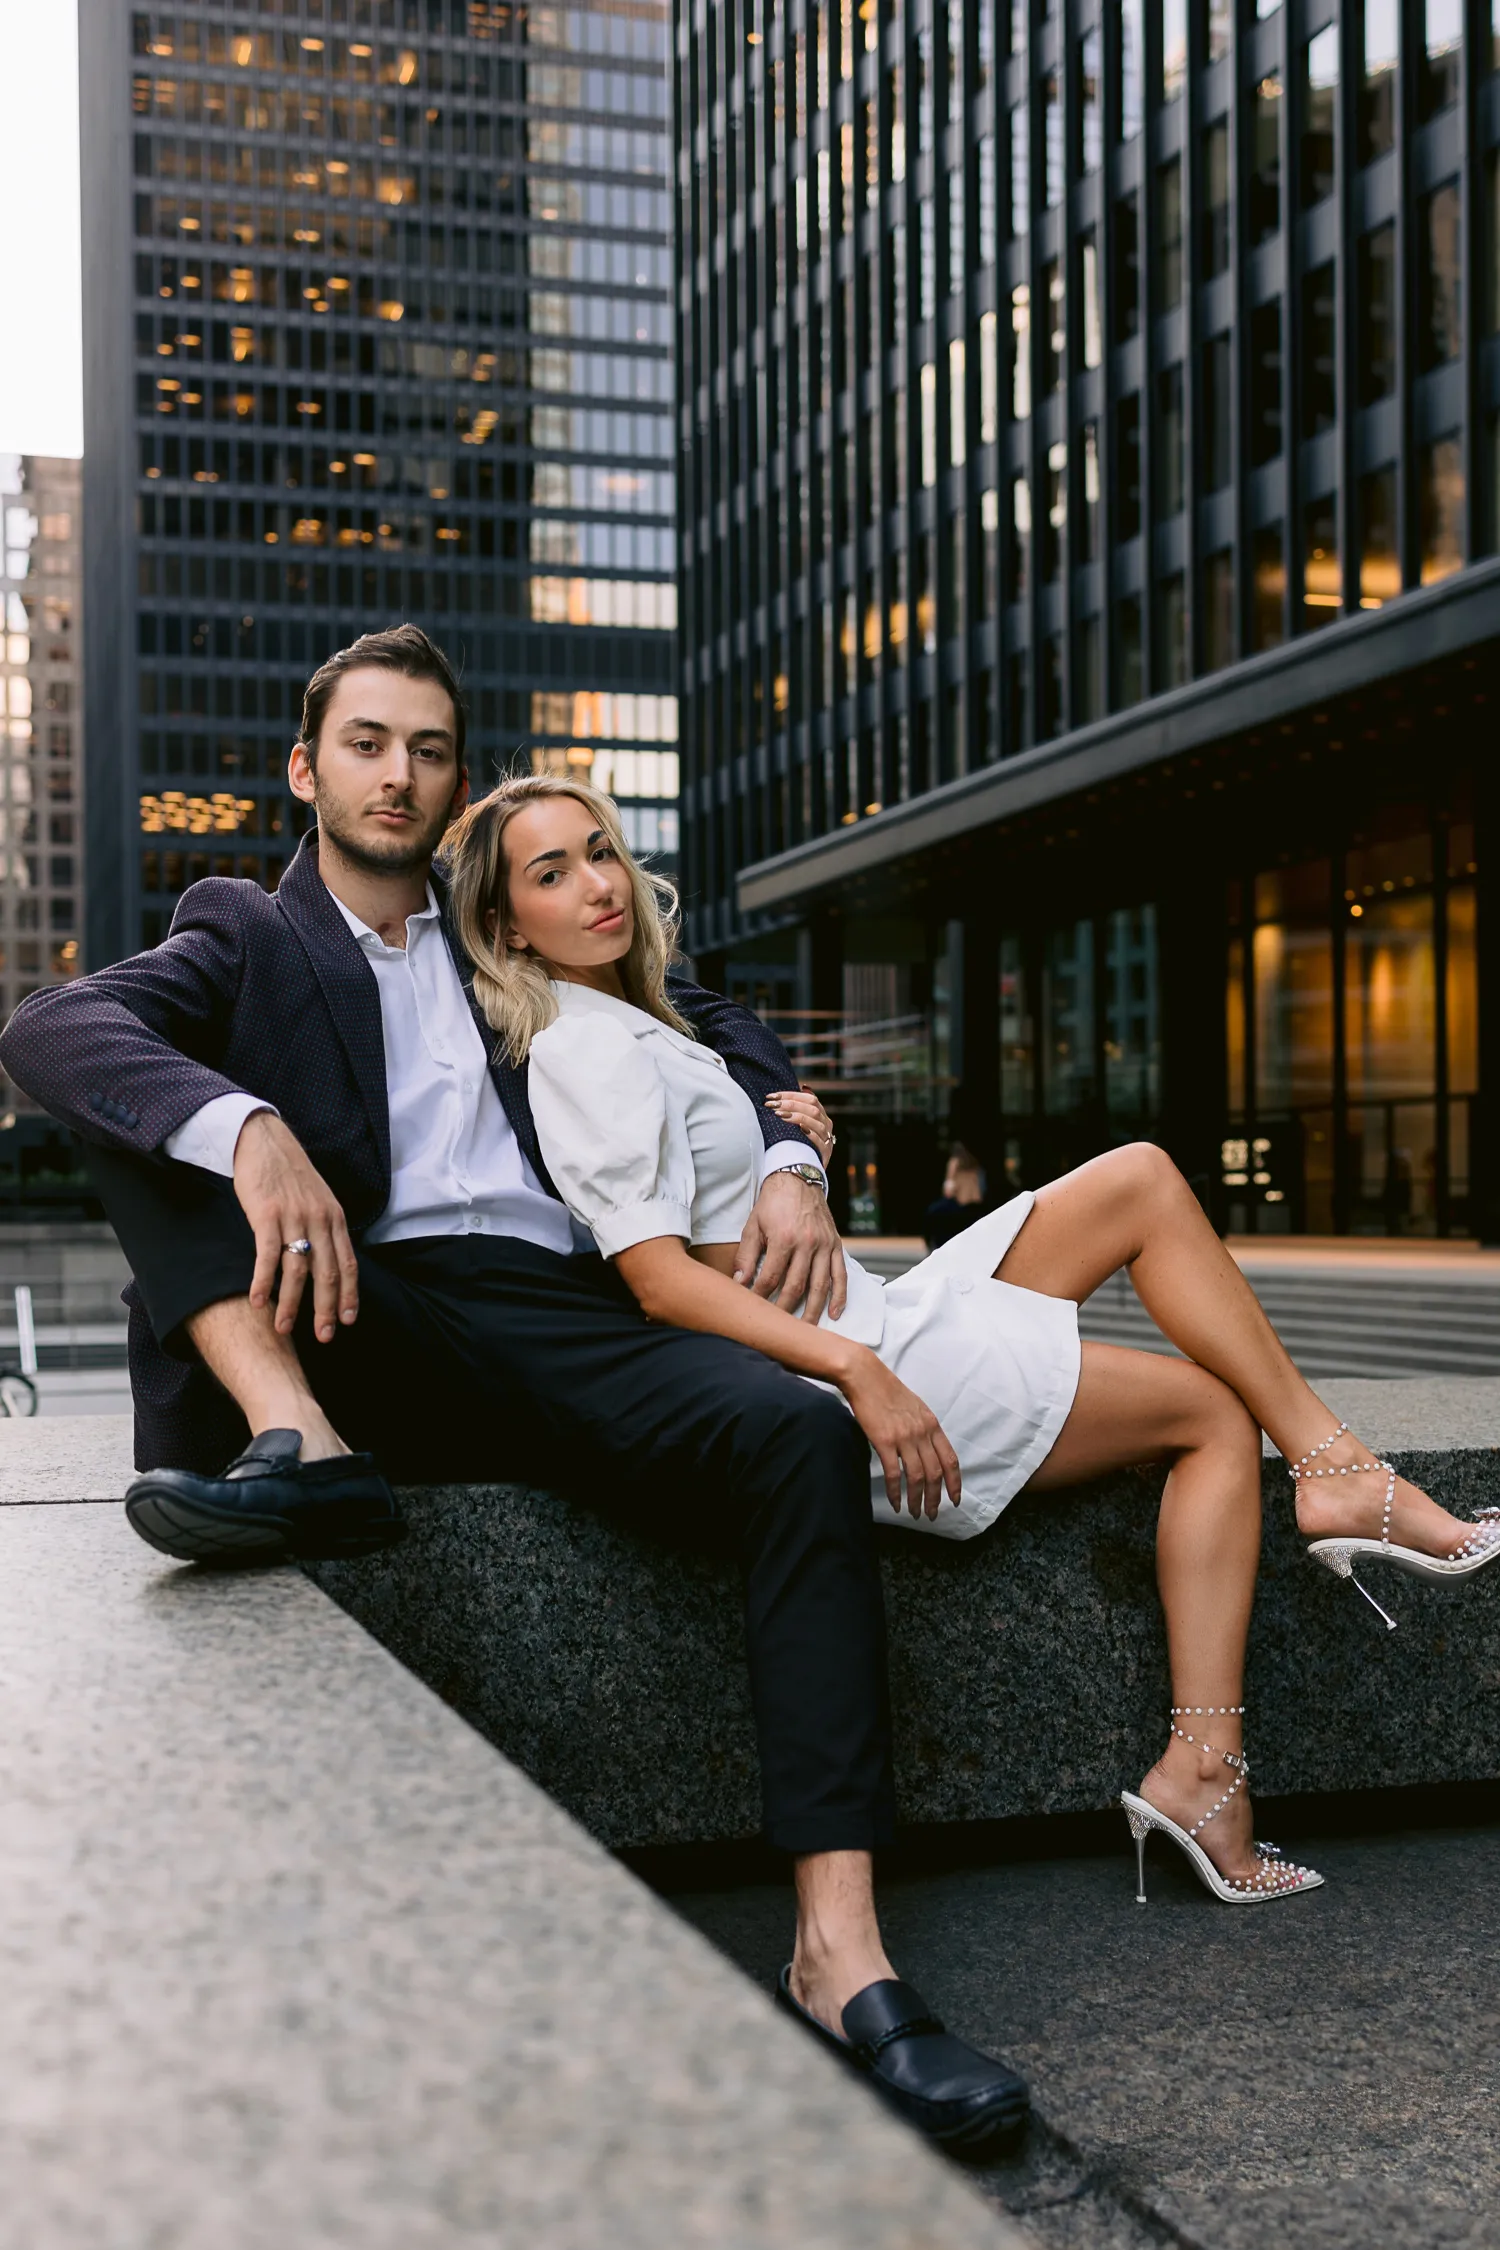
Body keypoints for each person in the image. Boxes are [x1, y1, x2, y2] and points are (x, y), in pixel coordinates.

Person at [0, 626, 1030, 2154]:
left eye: (426, 748)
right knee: (141, 1104)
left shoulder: (500, 937)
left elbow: (718, 1021)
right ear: (310, 767)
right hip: (370, 1306)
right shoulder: (248, 929)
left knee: (797, 1432)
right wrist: (246, 1126)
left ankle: (839, 1953)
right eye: (365, 742)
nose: (396, 771)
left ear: (454, 781)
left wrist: (799, 1158)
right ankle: (302, 1436)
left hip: (571, 1306)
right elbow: (50, 1027)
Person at [442, 770, 1500, 1927]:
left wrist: (791, 1159)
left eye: (600, 852)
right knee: (1207, 1415)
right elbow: (655, 1281)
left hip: (880, 1309)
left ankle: (1336, 1469)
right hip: (853, 1357)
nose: (597, 885)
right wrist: (853, 1369)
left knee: (1141, 1177)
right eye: (552, 874)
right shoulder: (577, 1049)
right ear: (505, 927)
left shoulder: (639, 1016)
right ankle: (1206, 1772)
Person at [923, 1142, 991, 1250]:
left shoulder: (954, 1163)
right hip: (975, 1205)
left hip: (959, 1204)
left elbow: (949, 1189)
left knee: (934, 1214)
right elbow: (982, 1188)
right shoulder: (975, 1165)